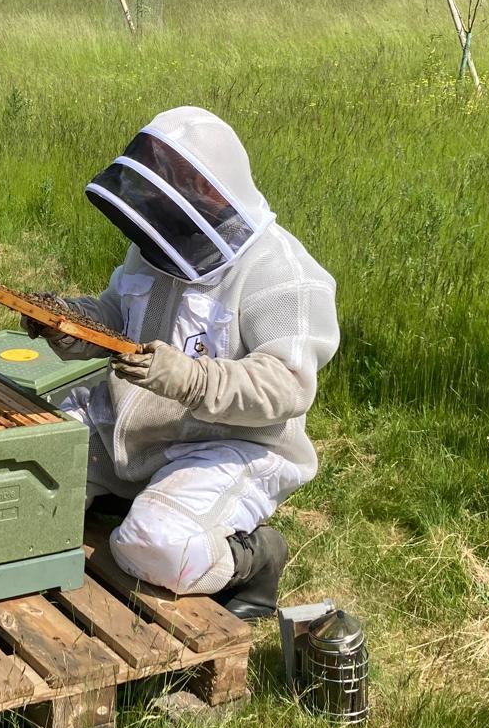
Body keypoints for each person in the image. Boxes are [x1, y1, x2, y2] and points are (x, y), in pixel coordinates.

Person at [24, 107, 339, 620]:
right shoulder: (159, 243)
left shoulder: (285, 277)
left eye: (176, 184)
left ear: (211, 189)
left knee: (156, 547)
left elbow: (286, 387)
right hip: (129, 425)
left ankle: (253, 561)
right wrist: (71, 322)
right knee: (23, 474)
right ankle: (133, 494)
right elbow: (116, 314)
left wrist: (191, 379)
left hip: (230, 443)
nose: (158, 202)